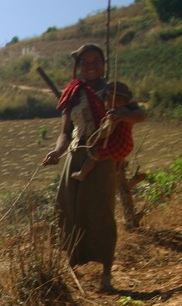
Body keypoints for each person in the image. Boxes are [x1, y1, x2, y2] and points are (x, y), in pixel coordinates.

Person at [42, 44, 145, 292]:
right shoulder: (74, 93)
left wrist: (119, 114)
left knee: (100, 212)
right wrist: (56, 152)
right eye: (85, 61)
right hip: (76, 154)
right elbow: (65, 132)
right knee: (67, 207)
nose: (91, 65)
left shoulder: (114, 91)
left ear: (104, 63)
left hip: (103, 158)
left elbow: (140, 114)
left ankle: (106, 275)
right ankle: (71, 266)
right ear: (78, 66)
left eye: (96, 60)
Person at [71, 81, 135, 181]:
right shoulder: (128, 112)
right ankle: (118, 168)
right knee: (119, 156)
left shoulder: (114, 115)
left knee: (94, 154)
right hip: (128, 145)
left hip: (118, 144)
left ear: (125, 102)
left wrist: (93, 138)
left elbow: (106, 131)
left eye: (117, 100)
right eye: (109, 99)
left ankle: (82, 173)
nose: (112, 103)